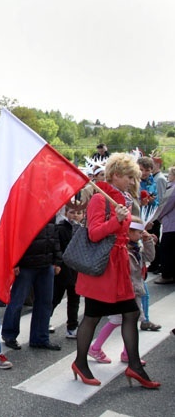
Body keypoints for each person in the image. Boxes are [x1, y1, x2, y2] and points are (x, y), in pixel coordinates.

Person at [72, 153, 160, 389]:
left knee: (131, 313)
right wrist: (117, 221)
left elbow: (121, 233)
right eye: (130, 177)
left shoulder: (123, 199)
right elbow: (94, 233)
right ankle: (81, 362)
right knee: (92, 316)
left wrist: (137, 233)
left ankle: (134, 365)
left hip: (118, 268)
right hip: (102, 270)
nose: (133, 182)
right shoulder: (101, 199)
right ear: (117, 175)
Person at [88, 216, 155, 365]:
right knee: (117, 320)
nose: (142, 234)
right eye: (139, 232)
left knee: (133, 321)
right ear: (129, 232)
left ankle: (126, 352)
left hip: (135, 290)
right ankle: (96, 347)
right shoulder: (122, 248)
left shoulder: (138, 248)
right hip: (125, 291)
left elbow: (150, 257)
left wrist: (148, 241)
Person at [2, 218, 62, 351]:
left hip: (46, 264)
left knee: (45, 303)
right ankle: (9, 335)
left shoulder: (50, 210)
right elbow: (16, 237)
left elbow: (54, 236)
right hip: (26, 265)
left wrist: (57, 261)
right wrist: (15, 262)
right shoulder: (26, 208)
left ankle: (40, 338)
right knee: (17, 301)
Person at [51, 203, 84, 339]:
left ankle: (72, 327)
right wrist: (57, 263)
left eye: (78, 213)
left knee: (74, 300)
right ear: (65, 213)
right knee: (55, 298)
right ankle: (45, 319)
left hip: (77, 270)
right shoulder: (60, 228)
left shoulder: (83, 230)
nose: (75, 215)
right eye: (72, 212)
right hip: (63, 268)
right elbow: (57, 247)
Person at [154, 166, 175, 284]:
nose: (169, 177)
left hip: (171, 224)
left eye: (170, 175)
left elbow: (165, 206)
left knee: (166, 249)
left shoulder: (172, 189)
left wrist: (156, 217)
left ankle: (167, 275)